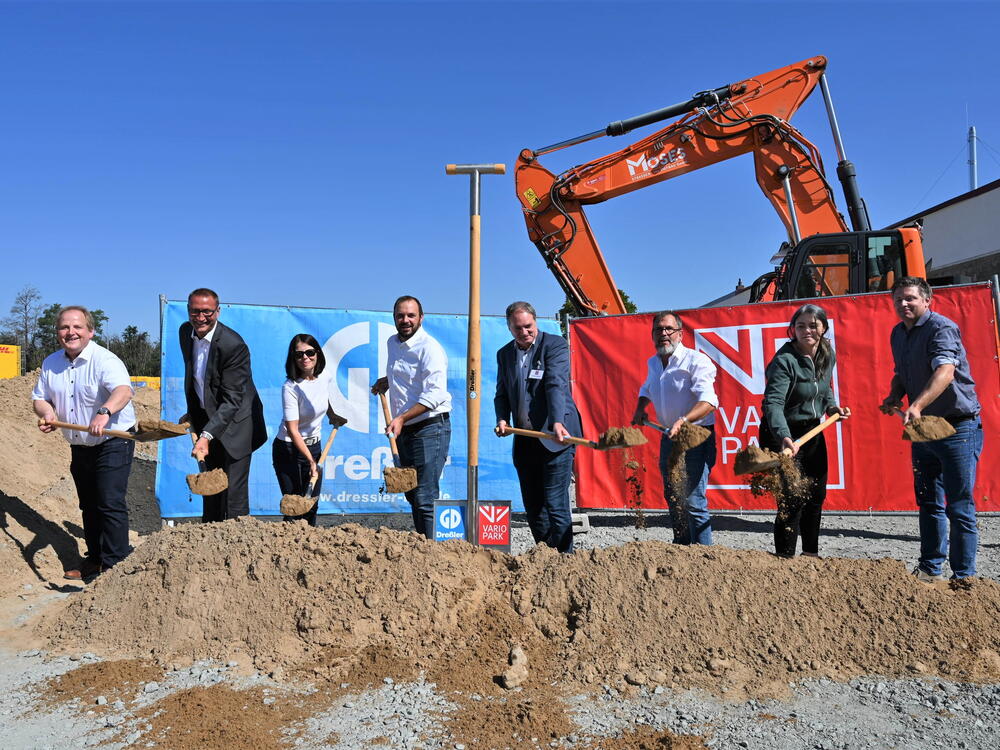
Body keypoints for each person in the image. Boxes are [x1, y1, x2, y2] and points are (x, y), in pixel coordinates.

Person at [880, 277, 983, 581]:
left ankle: (964, 577)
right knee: (928, 501)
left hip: (956, 425)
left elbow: (946, 371)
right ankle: (930, 568)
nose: (904, 304)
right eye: (898, 299)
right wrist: (894, 396)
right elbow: (902, 372)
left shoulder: (942, 328)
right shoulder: (898, 334)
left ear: (927, 300)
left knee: (960, 505)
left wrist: (917, 405)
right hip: (923, 427)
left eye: (910, 298)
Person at [32, 306, 136, 580]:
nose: (71, 332)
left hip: (114, 440)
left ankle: (116, 568)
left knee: (109, 501)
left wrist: (104, 412)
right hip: (80, 444)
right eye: (65, 327)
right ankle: (96, 559)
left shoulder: (105, 360)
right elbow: (40, 398)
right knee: (88, 504)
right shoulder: (51, 363)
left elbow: (123, 391)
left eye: (77, 327)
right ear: (58, 333)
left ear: (90, 331)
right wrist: (47, 413)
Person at [761, 304, 851, 558]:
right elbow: (773, 403)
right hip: (781, 433)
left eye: (813, 325)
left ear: (823, 328)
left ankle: (810, 555)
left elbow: (824, 386)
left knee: (815, 493)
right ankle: (785, 558)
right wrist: (784, 437)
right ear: (793, 330)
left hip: (812, 431)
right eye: (800, 325)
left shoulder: (825, 352)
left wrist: (831, 407)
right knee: (791, 498)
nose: (807, 330)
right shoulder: (784, 360)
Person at [494, 301, 582, 553]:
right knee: (533, 505)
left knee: (555, 502)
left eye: (528, 326)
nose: (524, 332)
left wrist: (557, 421)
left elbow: (555, 384)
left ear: (536, 322)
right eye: (518, 328)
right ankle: (545, 555)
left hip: (556, 436)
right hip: (525, 438)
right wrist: (503, 419)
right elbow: (501, 393)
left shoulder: (554, 346)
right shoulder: (505, 354)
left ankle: (566, 557)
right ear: (510, 328)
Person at [631, 310, 718, 545]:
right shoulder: (654, 363)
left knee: (693, 500)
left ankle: (703, 557)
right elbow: (647, 389)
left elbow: (709, 402)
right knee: (673, 496)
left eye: (669, 329)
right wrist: (641, 408)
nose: (664, 334)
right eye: (659, 330)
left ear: (680, 334)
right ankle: (681, 551)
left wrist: (684, 420)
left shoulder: (696, 361)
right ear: (652, 335)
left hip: (696, 437)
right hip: (669, 436)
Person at [180, 288, 266, 522]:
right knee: (211, 489)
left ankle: (238, 550)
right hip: (208, 419)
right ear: (188, 311)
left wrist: (206, 437)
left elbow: (232, 400)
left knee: (234, 498)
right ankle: (209, 547)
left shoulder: (232, 345)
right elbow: (200, 378)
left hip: (238, 425)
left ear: (217, 311)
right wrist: (195, 411)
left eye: (206, 312)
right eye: (195, 311)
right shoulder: (185, 332)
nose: (200, 318)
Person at [371, 295, 452, 538]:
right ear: (394, 317)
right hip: (406, 427)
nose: (405, 320)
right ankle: (422, 550)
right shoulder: (392, 343)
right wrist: (388, 381)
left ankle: (431, 554)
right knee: (412, 492)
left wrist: (402, 418)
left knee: (425, 496)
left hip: (430, 428)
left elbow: (435, 394)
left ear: (421, 318)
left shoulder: (430, 348)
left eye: (411, 315)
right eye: (400, 315)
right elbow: (407, 376)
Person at [273, 334, 334, 526]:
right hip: (289, 450)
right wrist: (310, 461)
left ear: (317, 354)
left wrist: (333, 415)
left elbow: (323, 399)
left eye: (310, 352)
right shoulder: (290, 387)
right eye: (299, 355)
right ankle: (289, 551)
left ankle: (309, 552)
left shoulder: (325, 376)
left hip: (315, 446)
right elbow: (293, 430)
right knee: (294, 507)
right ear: (293, 358)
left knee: (311, 504)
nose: (305, 358)